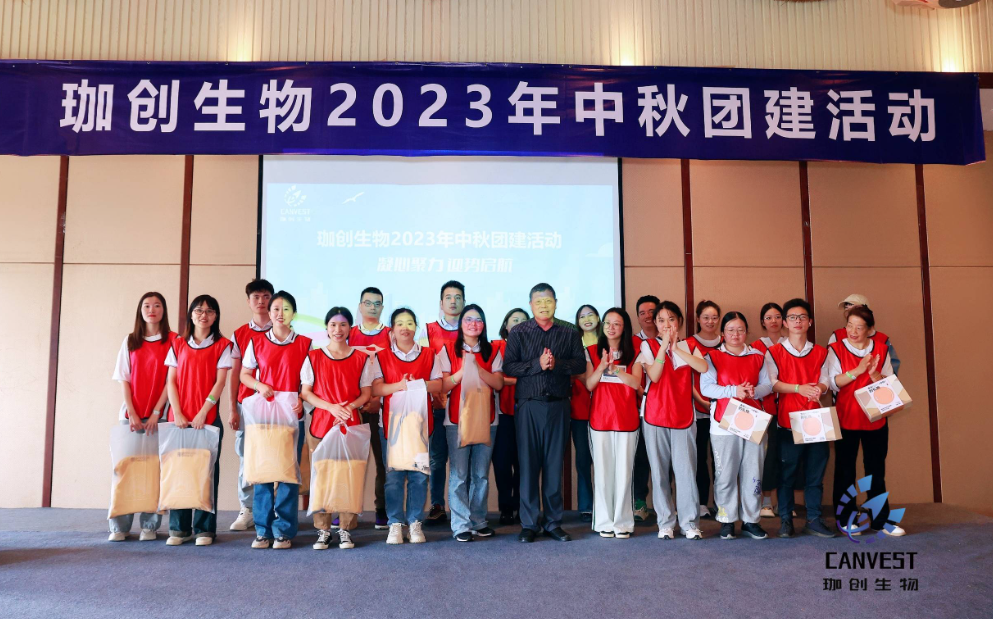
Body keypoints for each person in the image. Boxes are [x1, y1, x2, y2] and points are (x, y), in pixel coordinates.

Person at [503, 283, 586, 544]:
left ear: (556, 303)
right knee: (528, 466)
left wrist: (556, 364)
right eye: (538, 302)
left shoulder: (569, 331)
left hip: (558, 405)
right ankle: (529, 524)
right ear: (531, 305)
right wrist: (537, 364)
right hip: (529, 405)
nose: (543, 306)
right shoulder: (519, 332)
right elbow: (509, 367)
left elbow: (580, 364)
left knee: (553, 466)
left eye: (548, 301)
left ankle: (553, 522)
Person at [239, 290, 311, 550]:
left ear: (294, 314)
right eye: (276, 309)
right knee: (263, 473)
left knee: (288, 474)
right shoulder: (256, 342)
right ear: (269, 313)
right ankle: (263, 530)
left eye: (286, 309)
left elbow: (308, 382)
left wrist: (301, 398)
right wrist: (259, 385)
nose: (281, 314)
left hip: (291, 415)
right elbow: (245, 375)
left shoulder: (305, 344)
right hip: (264, 416)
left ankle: (284, 530)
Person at [301, 306, 376, 550]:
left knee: (349, 477)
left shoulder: (361, 358)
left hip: (350, 425)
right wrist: (331, 408)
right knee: (322, 477)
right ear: (327, 328)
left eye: (343, 324)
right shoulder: (313, 356)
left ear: (350, 328)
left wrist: (349, 407)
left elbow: (366, 393)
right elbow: (306, 392)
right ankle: (323, 530)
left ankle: (345, 529)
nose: (338, 329)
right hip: (321, 425)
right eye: (333, 324)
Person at [828, 305, 905, 537]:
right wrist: (858, 370)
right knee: (845, 472)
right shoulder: (835, 349)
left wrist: (874, 375)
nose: (853, 331)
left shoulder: (881, 349)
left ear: (870, 330)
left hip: (875, 418)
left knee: (876, 471)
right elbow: (833, 383)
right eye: (849, 325)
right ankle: (846, 519)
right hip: (847, 416)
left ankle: (880, 520)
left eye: (859, 327)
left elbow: (889, 385)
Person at [164, 295, 233, 546]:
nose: (204, 315)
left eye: (210, 311)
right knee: (179, 471)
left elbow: (220, 382)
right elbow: (171, 381)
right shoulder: (178, 343)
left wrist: (204, 411)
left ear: (216, 316)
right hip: (178, 420)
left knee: (206, 473)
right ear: (191, 314)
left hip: (208, 419)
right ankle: (179, 528)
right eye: (199, 310)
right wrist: (178, 412)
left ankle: (204, 529)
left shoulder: (223, 345)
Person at [372, 308, 444, 545]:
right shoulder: (381, 356)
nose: (405, 327)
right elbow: (376, 389)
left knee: (419, 476)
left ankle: (415, 522)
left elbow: (439, 385)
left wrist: (420, 384)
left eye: (410, 323)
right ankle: (395, 523)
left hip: (419, 426)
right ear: (391, 330)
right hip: (391, 426)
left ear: (416, 328)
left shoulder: (429, 354)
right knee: (394, 476)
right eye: (400, 323)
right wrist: (400, 386)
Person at [637, 301, 709, 540]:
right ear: (655, 324)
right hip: (655, 415)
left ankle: (689, 523)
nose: (666, 324)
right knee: (659, 472)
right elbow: (654, 375)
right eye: (661, 320)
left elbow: (703, 367)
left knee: (686, 471)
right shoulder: (647, 345)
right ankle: (665, 523)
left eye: (671, 319)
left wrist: (676, 348)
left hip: (683, 416)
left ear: (679, 322)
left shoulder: (690, 345)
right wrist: (663, 347)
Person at [764, 299, 834, 539]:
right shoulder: (774, 352)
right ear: (785, 322)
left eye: (802, 317)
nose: (797, 321)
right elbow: (772, 383)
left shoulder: (821, 352)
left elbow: (826, 379)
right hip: (788, 420)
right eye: (792, 317)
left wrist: (820, 388)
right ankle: (786, 520)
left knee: (815, 474)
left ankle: (814, 519)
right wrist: (798, 388)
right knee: (787, 474)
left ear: (810, 322)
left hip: (816, 419)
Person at [109, 292, 176, 542]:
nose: (152, 310)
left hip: (160, 417)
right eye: (147, 305)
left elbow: (171, 381)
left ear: (163, 310)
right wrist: (133, 413)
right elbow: (124, 379)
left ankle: (150, 525)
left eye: (157, 305)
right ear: (140, 310)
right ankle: (120, 527)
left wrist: (157, 412)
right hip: (131, 417)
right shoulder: (130, 341)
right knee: (125, 470)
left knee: (153, 472)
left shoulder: (173, 340)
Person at [700, 311, 773, 540]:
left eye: (740, 330)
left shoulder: (759, 356)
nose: (736, 334)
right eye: (730, 330)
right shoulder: (712, 357)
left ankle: (751, 520)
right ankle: (726, 519)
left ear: (747, 332)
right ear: (722, 333)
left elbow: (768, 385)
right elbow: (706, 388)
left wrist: (754, 391)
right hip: (723, 423)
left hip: (753, 420)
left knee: (754, 473)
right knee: (725, 474)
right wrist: (734, 390)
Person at [438, 305, 505, 542]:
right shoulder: (448, 349)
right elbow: (443, 385)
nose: (473, 324)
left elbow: (498, 384)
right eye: (468, 319)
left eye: (478, 320)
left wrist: (477, 368)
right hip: (456, 421)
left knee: (480, 475)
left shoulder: (493, 350)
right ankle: (460, 525)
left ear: (483, 325)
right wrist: (462, 372)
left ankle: (478, 521)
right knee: (459, 475)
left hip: (488, 420)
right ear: (461, 324)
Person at [584, 309, 644, 539]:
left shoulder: (635, 352)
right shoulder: (591, 351)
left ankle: (623, 523)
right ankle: (604, 522)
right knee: (603, 473)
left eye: (616, 323)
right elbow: (589, 385)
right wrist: (601, 366)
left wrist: (615, 370)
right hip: (600, 420)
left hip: (627, 420)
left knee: (624, 473)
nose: (611, 327)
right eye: (607, 323)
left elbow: (636, 383)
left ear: (624, 327)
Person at [227, 278, 273, 532]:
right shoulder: (240, 334)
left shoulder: (283, 330)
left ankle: (271, 509)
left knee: (275, 456)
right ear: (248, 302)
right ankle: (247, 508)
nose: (261, 301)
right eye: (256, 297)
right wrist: (232, 408)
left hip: (276, 405)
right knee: (247, 457)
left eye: (266, 296)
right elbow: (235, 373)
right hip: (246, 404)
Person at [418, 280, 465, 523]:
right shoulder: (427, 331)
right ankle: (437, 505)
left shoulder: (471, 328)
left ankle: (462, 508)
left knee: (463, 460)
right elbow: (420, 364)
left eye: (458, 297)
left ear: (464, 302)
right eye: (448, 297)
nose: (453, 301)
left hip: (465, 404)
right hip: (436, 402)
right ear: (441, 302)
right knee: (436, 458)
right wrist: (436, 394)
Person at [346, 286, 390, 530]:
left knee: (383, 462)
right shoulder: (348, 333)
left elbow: (393, 370)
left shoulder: (391, 334)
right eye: (368, 303)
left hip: (382, 407)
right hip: (353, 408)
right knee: (351, 461)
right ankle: (346, 510)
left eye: (377, 303)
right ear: (360, 306)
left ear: (382, 307)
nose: (372, 307)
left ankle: (382, 509)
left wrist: (376, 399)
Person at [492, 308, 529, 525]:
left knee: (524, 463)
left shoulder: (533, 347)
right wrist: (518, 381)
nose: (519, 324)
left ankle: (521, 505)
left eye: (523, 320)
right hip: (501, 413)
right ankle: (506, 507)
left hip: (527, 412)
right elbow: (493, 378)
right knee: (502, 463)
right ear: (505, 325)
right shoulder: (495, 346)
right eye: (514, 320)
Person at [752, 302, 787, 519]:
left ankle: (784, 502)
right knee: (767, 455)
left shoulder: (792, 343)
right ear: (762, 322)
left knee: (788, 456)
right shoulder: (755, 346)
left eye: (777, 316)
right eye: (768, 317)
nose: (773, 321)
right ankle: (765, 502)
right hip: (765, 408)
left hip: (790, 406)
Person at [690, 300, 722, 519]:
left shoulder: (728, 340)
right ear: (698, 319)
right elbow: (685, 378)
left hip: (724, 411)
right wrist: (701, 401)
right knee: (699, 458)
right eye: (706, 317)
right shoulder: (688, 344)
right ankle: (701, 502)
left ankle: (723, 503)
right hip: (698, 410)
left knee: (722, 460)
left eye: (714, 317)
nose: (710, 321)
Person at [630, 295, 660, 522]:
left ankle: (665, 504)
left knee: (664, 459)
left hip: (665, 409)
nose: (647, 316)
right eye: (642, 313)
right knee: (640, 458)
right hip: (637, 408)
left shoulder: (672, 341)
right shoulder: (630, 342)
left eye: (652, 311)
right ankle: (639, 502)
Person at [571, 305, 599, 521]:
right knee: (583, 460)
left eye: (590, 315)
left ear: (598, 318)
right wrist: (586, 378)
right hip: (579, 409)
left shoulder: (608, 343)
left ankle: (605, 505)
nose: (587, 319)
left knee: (605, 460)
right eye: (582, 316)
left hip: (604, 410)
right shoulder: (573, 345)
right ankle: (586, 506)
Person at [828, 294, 900, 375]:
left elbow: (892, 373)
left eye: (855, 309)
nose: (850, 313)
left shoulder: (882, 339)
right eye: (847, 309)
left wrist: (877, 377)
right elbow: (830, 372)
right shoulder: (837, 336)